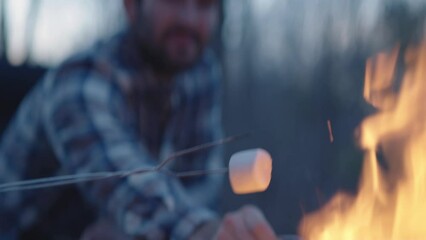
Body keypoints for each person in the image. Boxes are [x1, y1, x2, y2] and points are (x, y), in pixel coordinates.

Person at [0, 0, 277, 239]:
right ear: (131, 6)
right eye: (174, 1)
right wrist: (206, 231)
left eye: (204, 5)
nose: (190, 19)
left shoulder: (201, 76)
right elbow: (125, 183)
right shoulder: (79, 82)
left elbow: (200, 189)